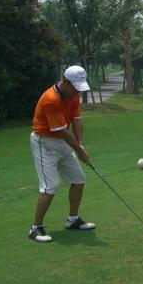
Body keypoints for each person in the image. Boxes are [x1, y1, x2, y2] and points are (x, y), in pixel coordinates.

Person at [28, 65, 95, 243]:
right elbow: (62, 131)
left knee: (79, 179)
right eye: (75, 87)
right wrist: (79, 151)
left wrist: (80, 144)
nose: (77, 92)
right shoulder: (51, 99)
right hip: (44, 143)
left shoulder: (73, 94)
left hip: (62, 143)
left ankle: (73, 220)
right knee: (50, 187)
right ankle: (35, 228)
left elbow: (76, 119)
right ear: (65, 82)